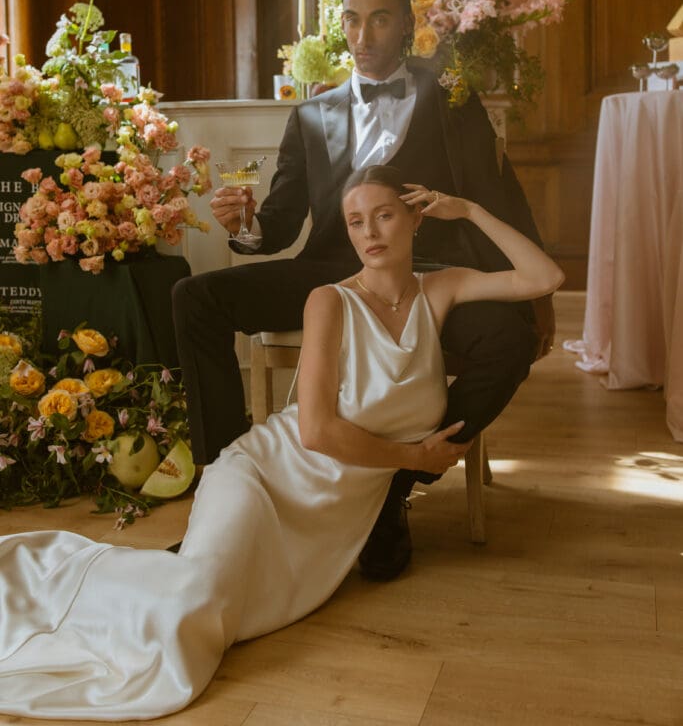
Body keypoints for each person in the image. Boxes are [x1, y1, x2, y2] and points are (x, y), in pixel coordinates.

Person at [0, 166, 564, 721]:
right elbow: (315, 432)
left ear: (416, 219)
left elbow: (545, 276)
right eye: (356, 221)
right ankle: (76, 595)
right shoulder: (330, 301)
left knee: (221, 601)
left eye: (385, 216)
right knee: (192, 612)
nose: (370, 233)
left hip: (330, 517)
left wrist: (469, 209)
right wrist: (417, 458)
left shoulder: (441, 289)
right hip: (265, 474)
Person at [172, 0, 555, 579]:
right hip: (331, 273)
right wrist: (244, 225)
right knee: (195, 298)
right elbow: (278, 223)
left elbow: (495, 192)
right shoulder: (311, 115)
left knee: (507, 340)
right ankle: (225, 485)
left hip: (427, 275)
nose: (363, 34)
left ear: (406, 25)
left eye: (379, 19)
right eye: (352, 20)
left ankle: (396, 485)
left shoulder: (452, 100)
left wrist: (538, 301)